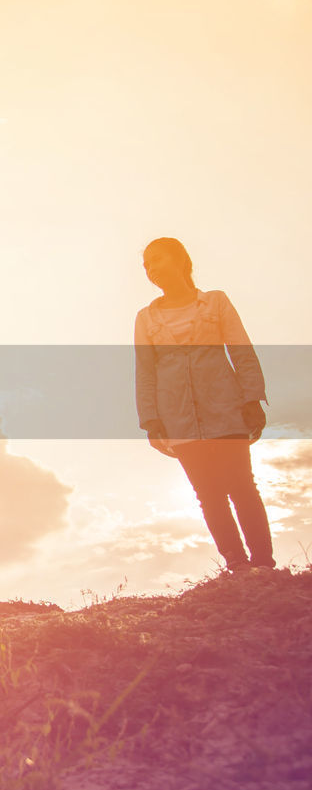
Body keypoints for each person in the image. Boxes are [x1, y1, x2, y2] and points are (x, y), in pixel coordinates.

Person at [134, 237, 275, 572]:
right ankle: (237, 566)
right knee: (208, 495)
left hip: (226, 408)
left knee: (243, 487)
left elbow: (241, 350)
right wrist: (151, 421)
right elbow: (145, 371)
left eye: (158, 260)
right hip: (176, 418)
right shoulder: (145, 318)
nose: (151, 269)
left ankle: (265, 566)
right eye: (147, 265)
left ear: (181, 259)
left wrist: (252, 397)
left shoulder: (215, 302)